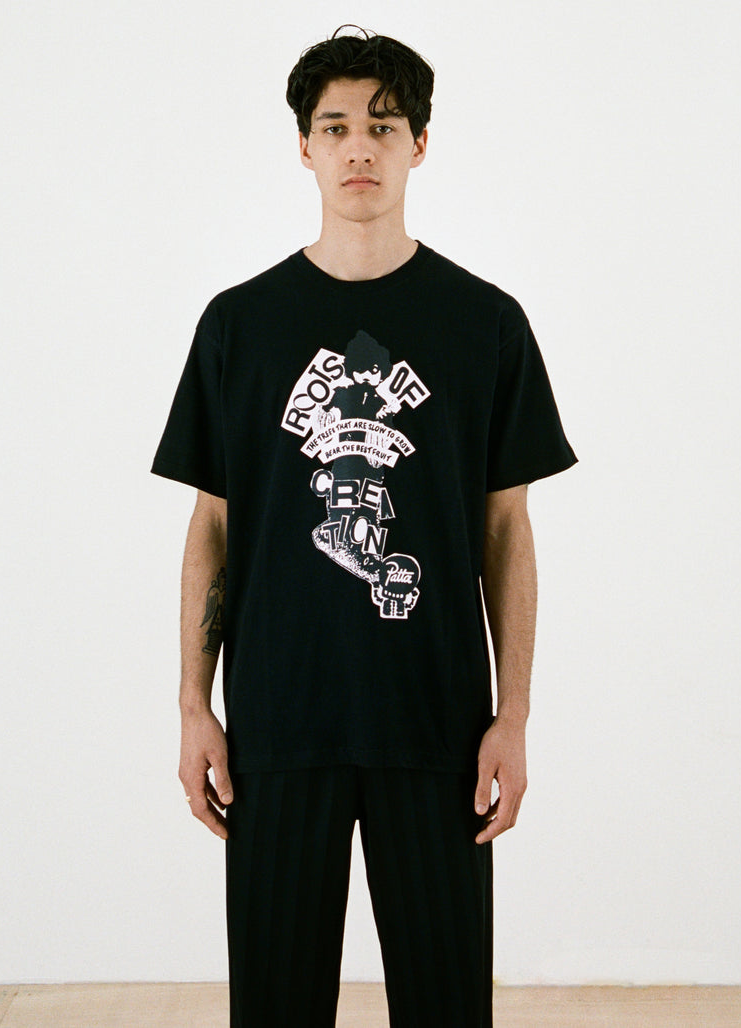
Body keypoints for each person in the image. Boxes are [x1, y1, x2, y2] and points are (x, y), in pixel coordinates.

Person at [151, 25, 577, 1028]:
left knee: (446, 1005)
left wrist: (513, 715)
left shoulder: (486, 323)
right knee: (275, 1006)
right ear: (303, 146)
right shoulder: (239, 324)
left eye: (383, 127)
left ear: (419, 144)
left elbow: (506, 531)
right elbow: (211, 526)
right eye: (336, 126)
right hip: (278, 723)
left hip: (436, 724)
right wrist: (193, 705)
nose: (359, 148)